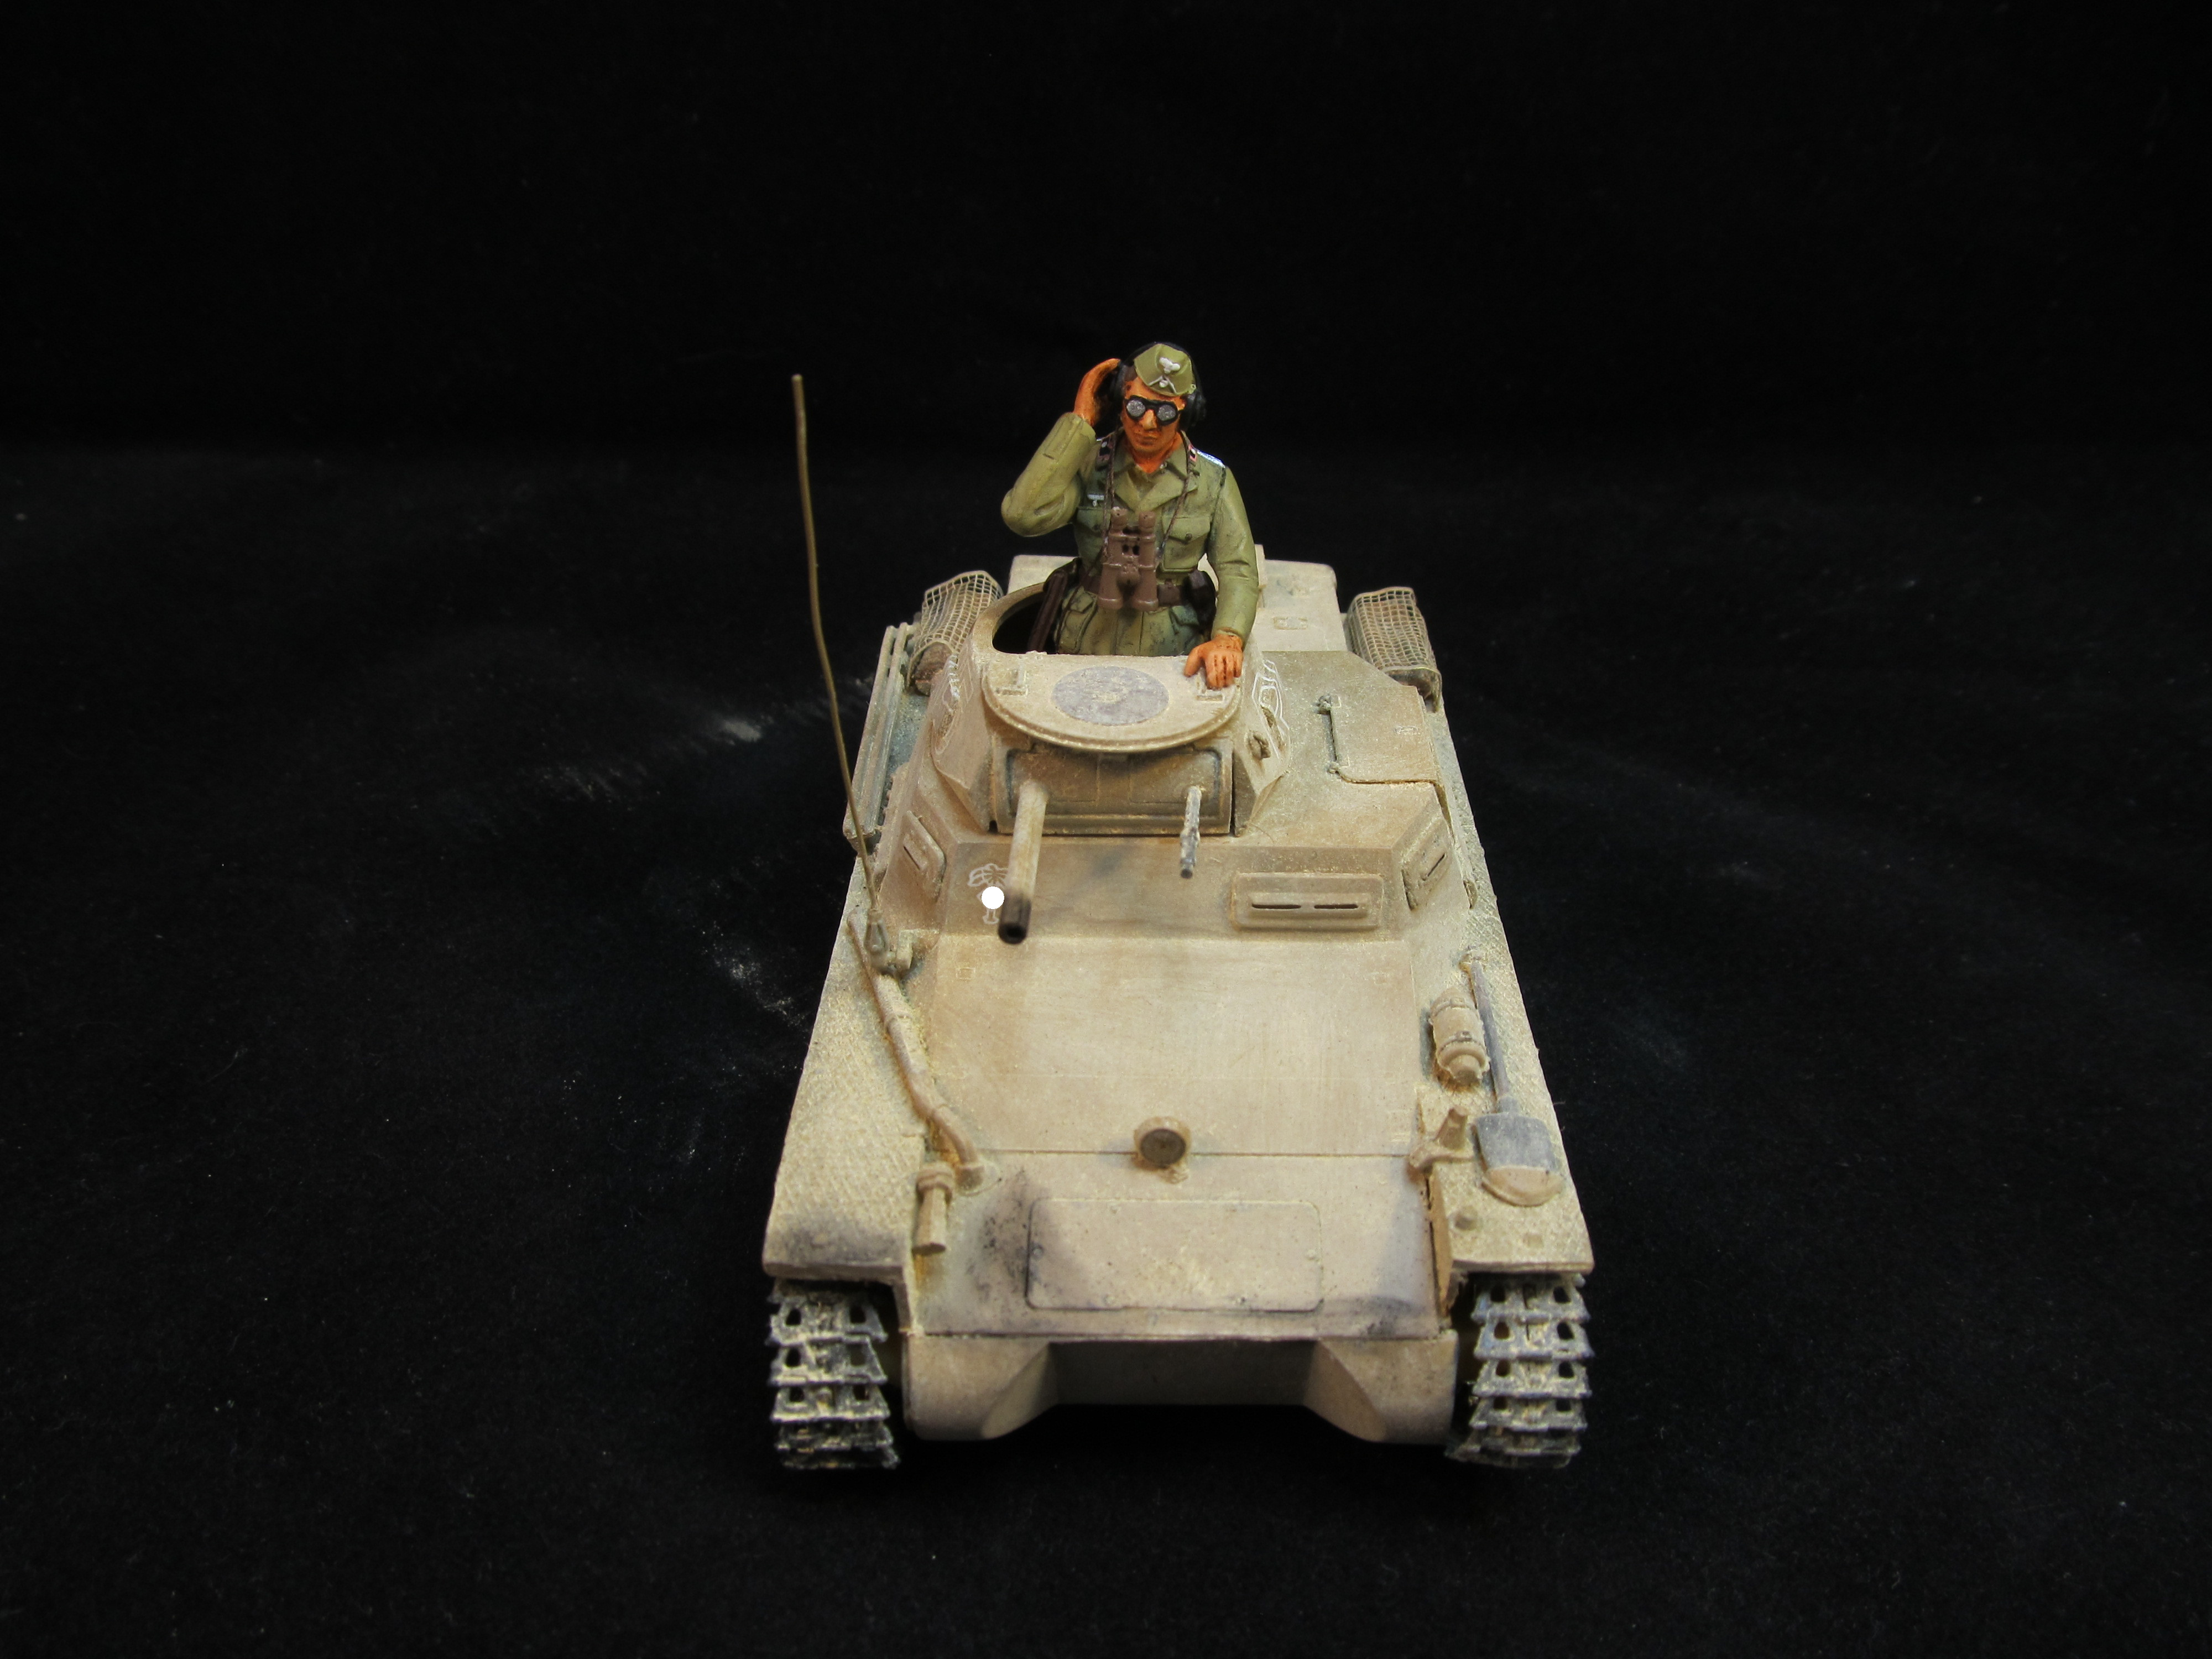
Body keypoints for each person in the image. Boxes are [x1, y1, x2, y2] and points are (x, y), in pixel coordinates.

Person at [1000, 344, 1258, 688]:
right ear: (1120, 400)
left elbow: (1238, 568)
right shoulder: (1087, 462)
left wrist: (1228, 637)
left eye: (1165, 412)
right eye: (1137, 407)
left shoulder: (1212, 480)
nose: (1148, 423)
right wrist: (1079, 423)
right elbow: (1023, 515)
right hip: (1086, 638)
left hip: (1176, 647)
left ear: (1186, 409)